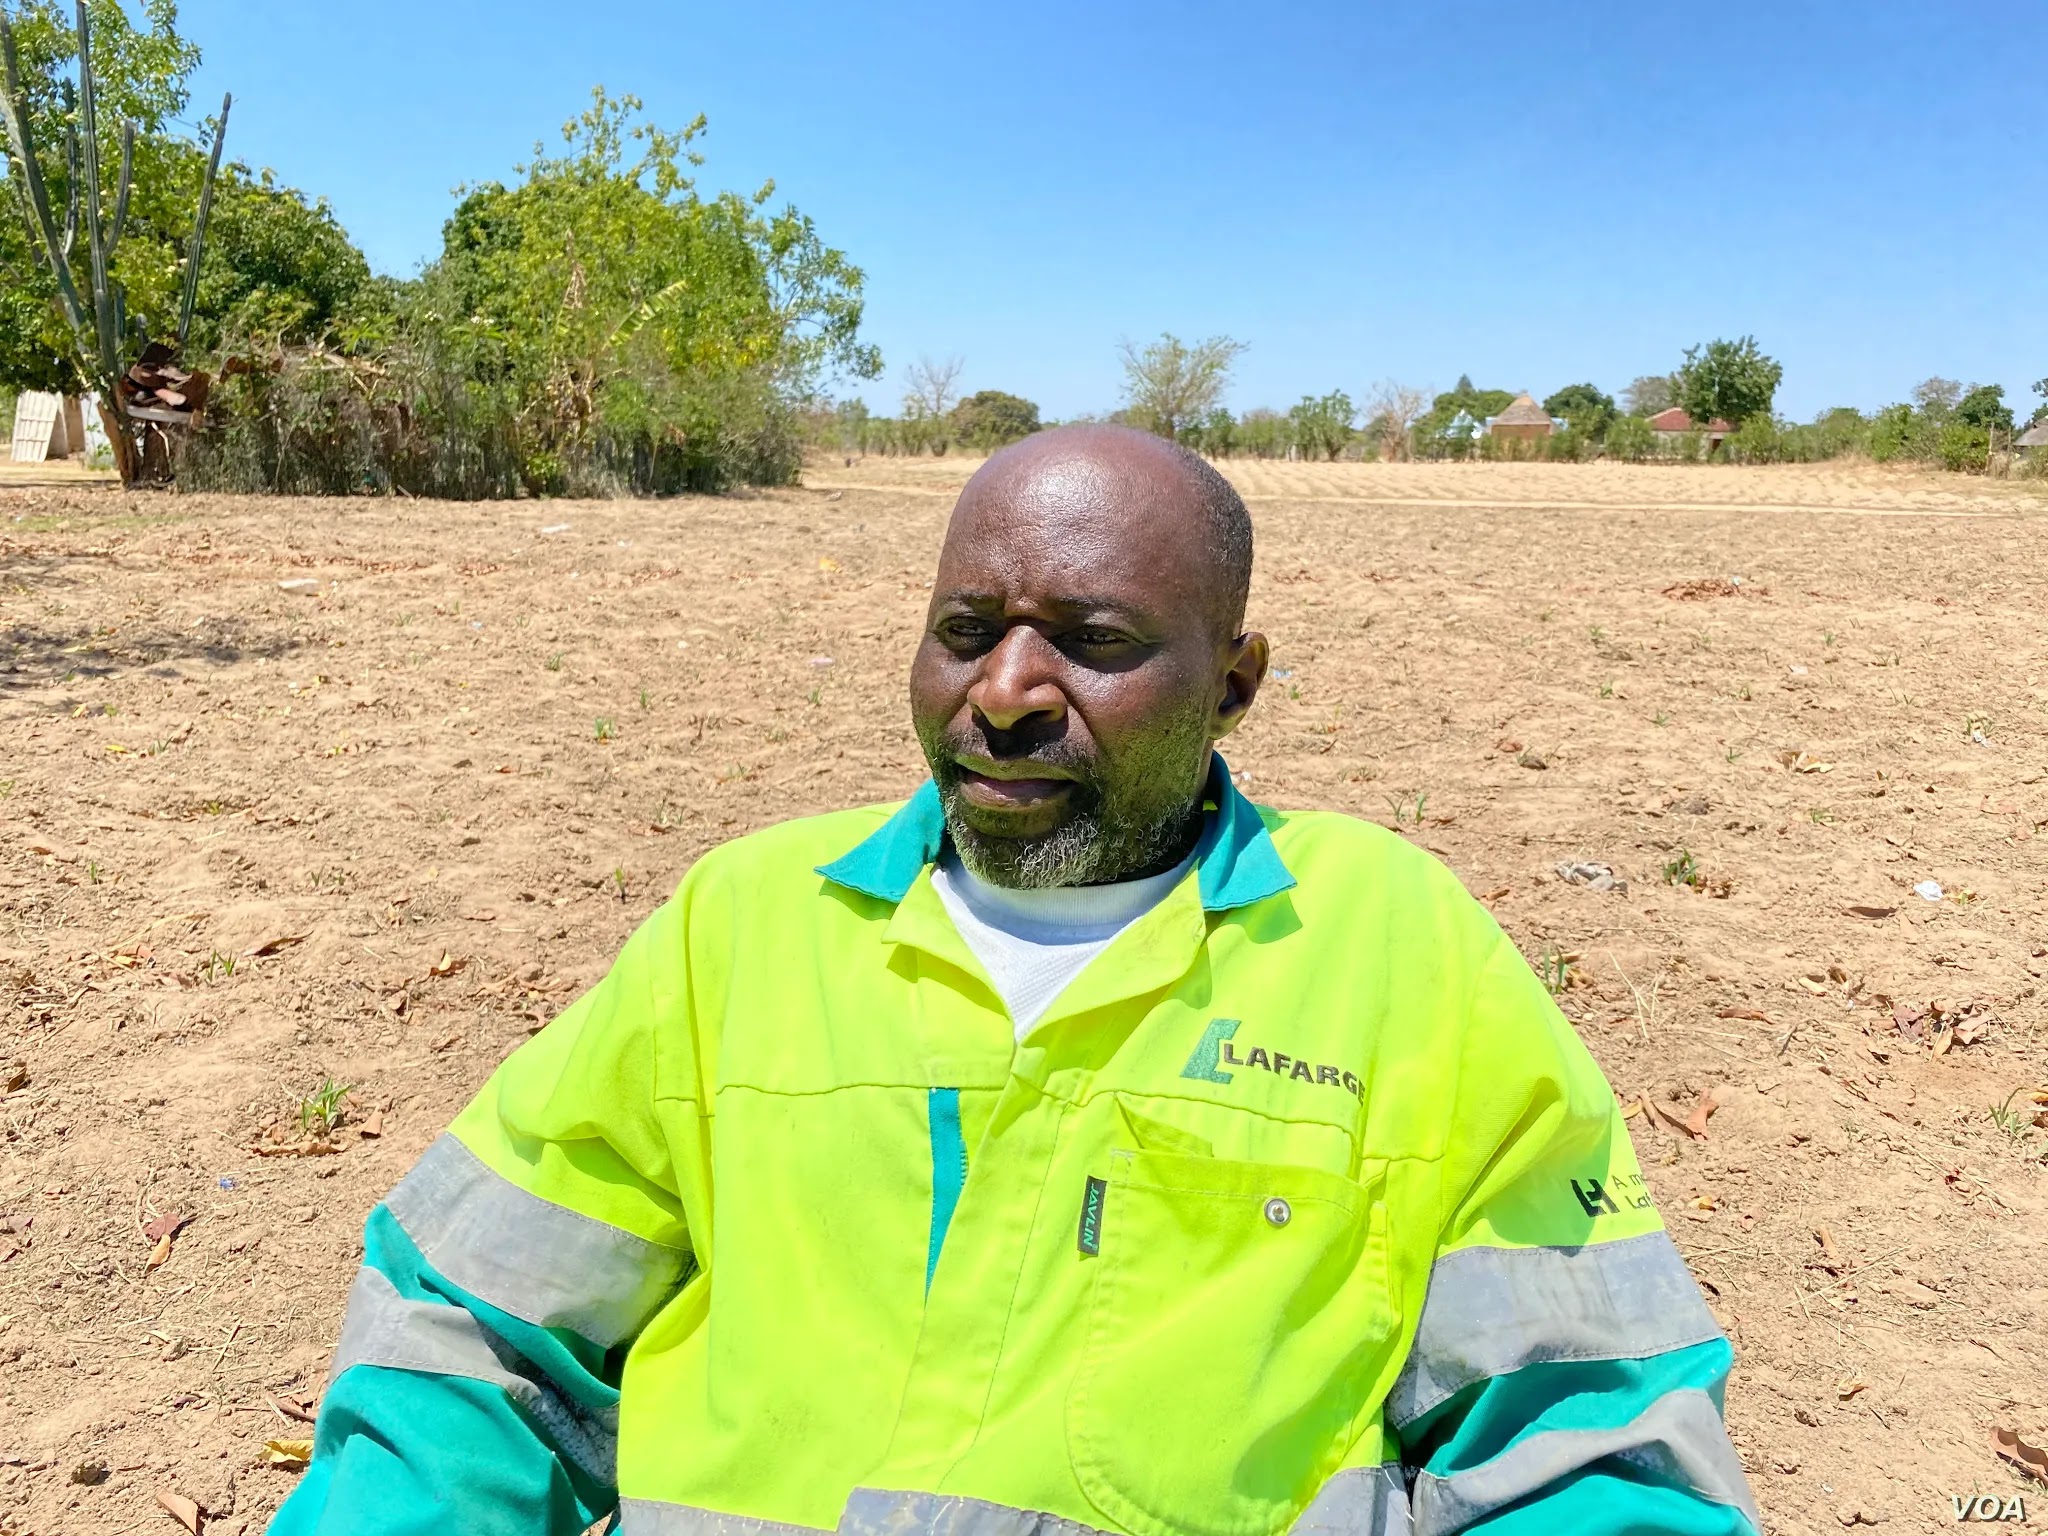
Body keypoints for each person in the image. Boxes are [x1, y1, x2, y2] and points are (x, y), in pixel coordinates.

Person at [272, 425, 1759, 1536]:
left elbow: (1592, 1443)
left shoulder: (1394, 955)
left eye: (1093, 644)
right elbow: (470, 1326)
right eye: (967, 634)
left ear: (1235, 682)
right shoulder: (746, 925)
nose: (1004, 694)